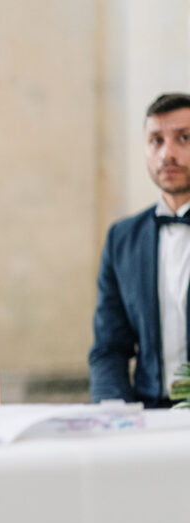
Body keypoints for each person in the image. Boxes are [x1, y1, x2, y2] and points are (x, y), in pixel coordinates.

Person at [90, 93, 190, 407]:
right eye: (156, 140)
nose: (167, 154)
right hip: (148, 415)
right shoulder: (122, 238)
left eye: (184, 138)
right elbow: (109, 347)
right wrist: (115, 413)